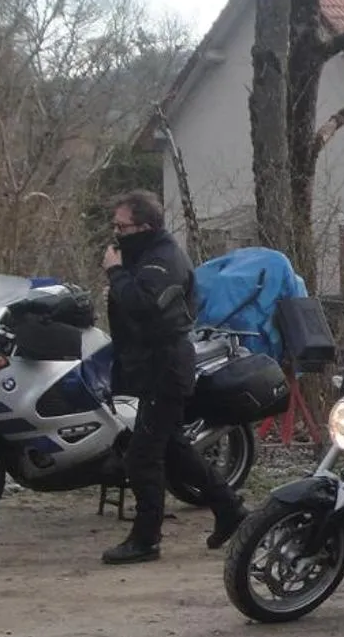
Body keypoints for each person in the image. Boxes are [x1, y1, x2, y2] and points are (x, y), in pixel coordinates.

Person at [99, 190, 247, 565]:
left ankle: (146, 539)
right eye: (114, 226)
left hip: (165, 368)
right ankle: (230, 509)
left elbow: (146, 306)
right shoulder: (147, 255)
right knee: (173, 450)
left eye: (122, 226)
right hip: (150, 367)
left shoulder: (162, 259)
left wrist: (116, 273)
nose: (116, 234)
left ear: (144, 226)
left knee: (142, 457)